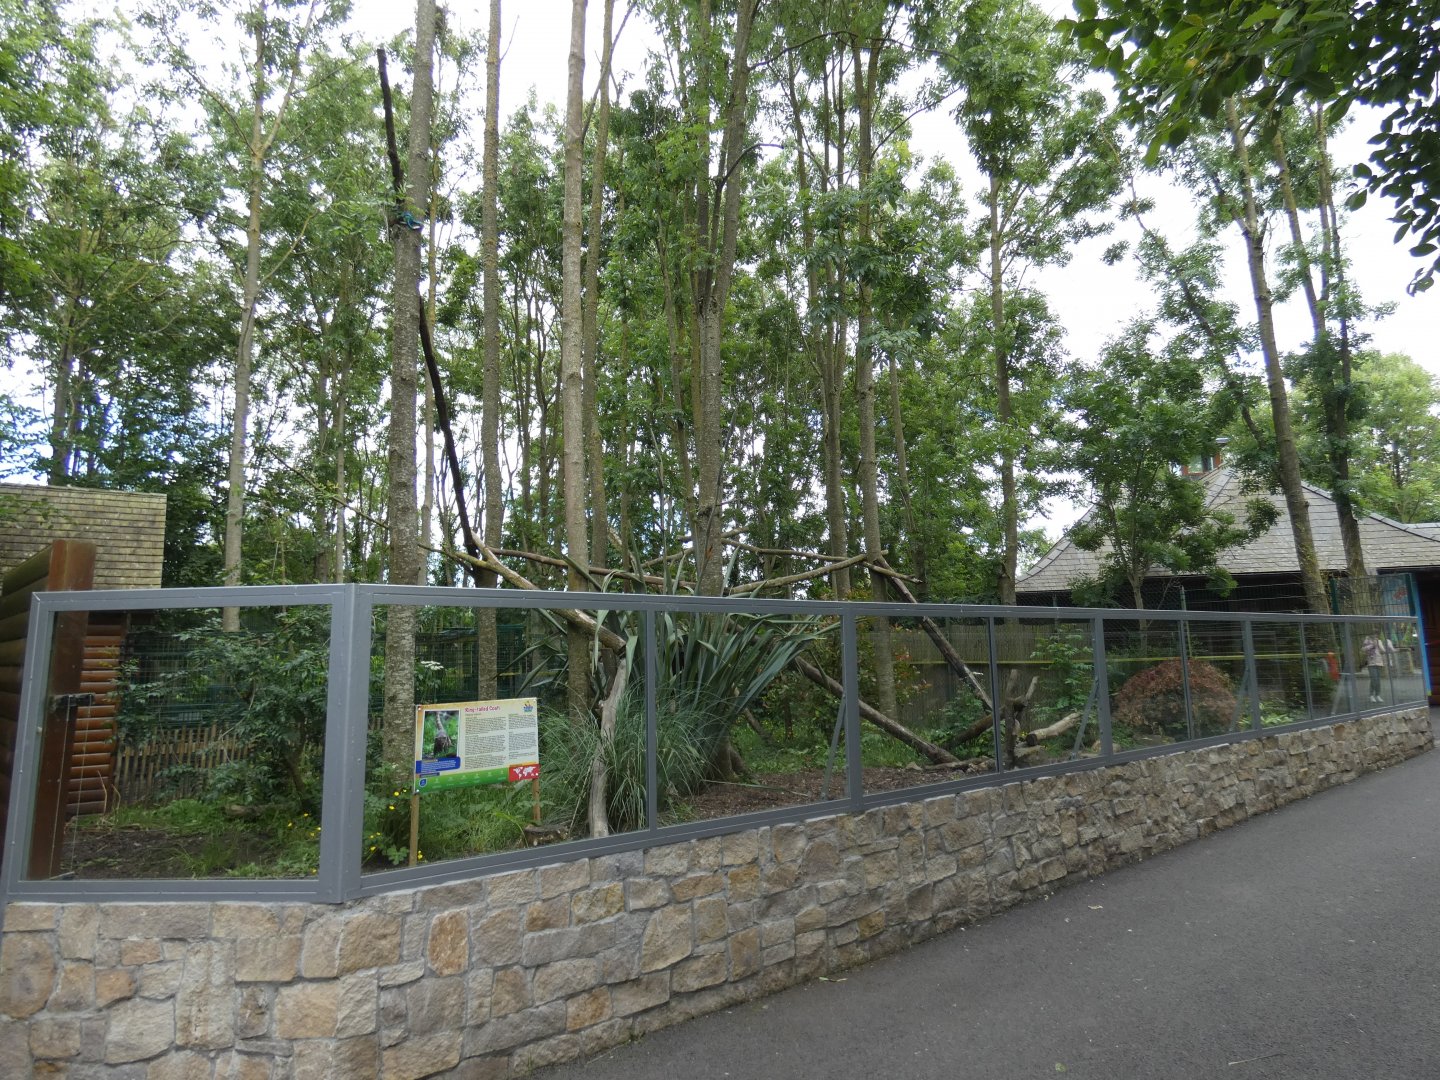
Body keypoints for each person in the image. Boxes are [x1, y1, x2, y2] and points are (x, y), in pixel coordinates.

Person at [1361, 634, 1394, 703]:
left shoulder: (1379, 641)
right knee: (1374, 679)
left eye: (1376, 635)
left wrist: (1388, 647)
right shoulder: (1367, 641)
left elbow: (1383, 650)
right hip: (1371, 663)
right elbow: (1363, 649)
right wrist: (1372, 645)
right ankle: (1371, 695)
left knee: (1378, 680)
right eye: (1374, 634)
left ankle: (1378, 695)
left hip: (1379, 662)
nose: (1375, 636)